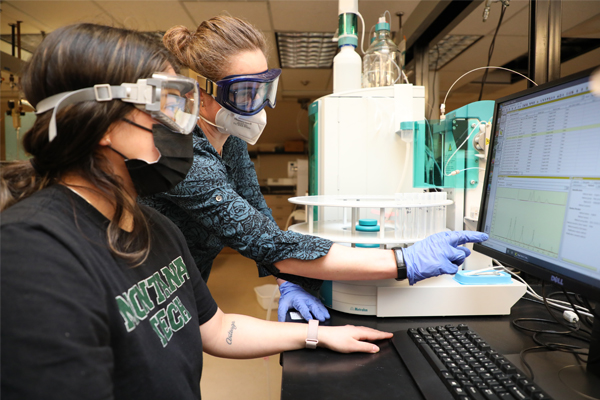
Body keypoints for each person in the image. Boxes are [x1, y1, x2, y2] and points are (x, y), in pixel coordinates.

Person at [0, 23, 394, 400]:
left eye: (182, 101)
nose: (180, 122)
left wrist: (317, 336)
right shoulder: (31, 250)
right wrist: (402, 262)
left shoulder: (155, 228)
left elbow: (216, 327)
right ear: (101, 121)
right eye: (166, 102)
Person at [140, 15, 489, 322]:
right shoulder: (180, 154)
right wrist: (404, 261)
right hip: (142, 294)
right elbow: (262, 241)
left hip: (188, 288)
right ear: (200, 93)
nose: (260, 107)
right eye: (247, 94)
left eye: (266, 89)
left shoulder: (230, 143)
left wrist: (287, 279)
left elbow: (258, 220)